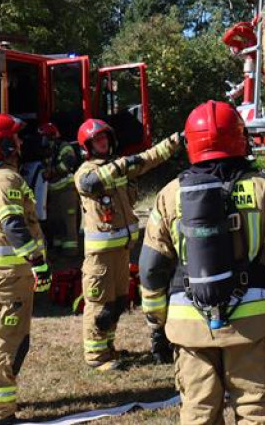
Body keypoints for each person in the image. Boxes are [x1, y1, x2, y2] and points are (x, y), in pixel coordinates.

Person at [139, 101, 265, 425]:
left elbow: (151, 268)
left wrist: (157, 324)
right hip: (250, 326)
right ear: (240, 138)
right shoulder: (262, 189)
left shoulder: (169, 195)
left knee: (198, 414)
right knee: (256, 413)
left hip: (188, 327)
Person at [73, 119, 182, 370]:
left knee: (119, 301)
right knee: (100, 303)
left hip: (122, 251)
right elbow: (92, 183)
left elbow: (150, 157)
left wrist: (176, 140)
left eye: (105, 138)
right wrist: (126, 163)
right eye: (97, 140)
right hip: (100, 256)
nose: (103, 143)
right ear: (88, 147)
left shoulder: (118, 168)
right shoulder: (85, 172)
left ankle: (107, 347)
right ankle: (96, 356)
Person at [0, 114, 51, 425]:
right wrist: (38, 263)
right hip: (8, 276)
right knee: (8, 341)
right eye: (14, 139)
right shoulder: (6, 179)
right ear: (2, 146)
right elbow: (14, 225)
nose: (19, 143)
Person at [38, 122, 80, 252]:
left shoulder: (64, 147)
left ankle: (71, 251)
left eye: (44, 136)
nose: (42, 140)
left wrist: (52, 172)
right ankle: (57, 248)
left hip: (67, 191)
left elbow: (68, 163)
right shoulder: (48, 151)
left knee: (69, 221)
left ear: (51, 136)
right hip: (53, 192)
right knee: (56, 221)